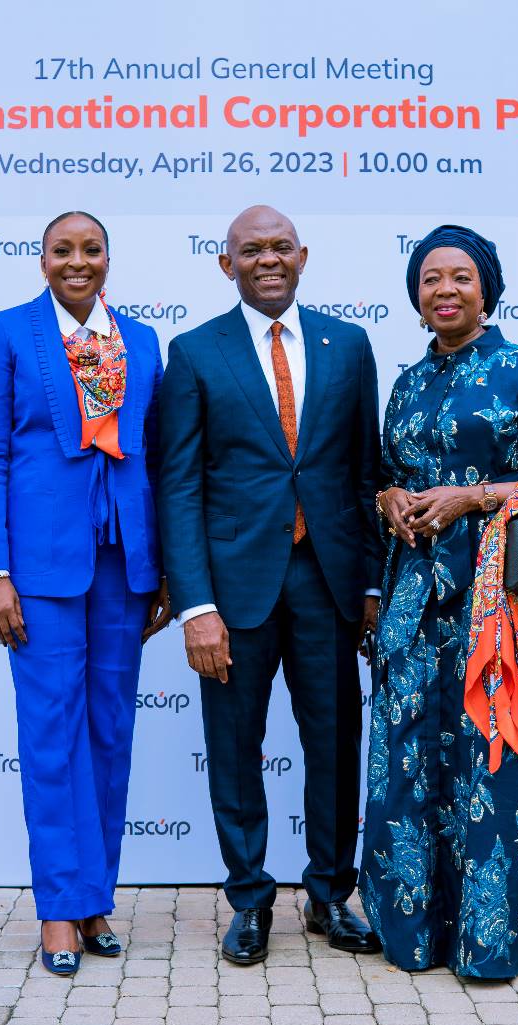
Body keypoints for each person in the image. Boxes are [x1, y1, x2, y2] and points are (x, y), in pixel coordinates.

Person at [360, 224, 518, 978]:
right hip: (415, 601)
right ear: (416, 297)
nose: (445, 290)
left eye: (460, 277)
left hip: (502, 606)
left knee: (493, 754)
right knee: (413, 753)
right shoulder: (407, 383)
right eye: (431, 279)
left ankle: (496, 938)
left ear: (486, 290)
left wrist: (474, 497)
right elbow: (385, 472)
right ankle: (417, 931)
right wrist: (391, 498)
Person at [158, 205, 383, 964]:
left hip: (329, 582)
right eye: (251, 250)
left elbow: (363, 475)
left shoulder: (349, 346)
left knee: (335, 742)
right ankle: (249, 899)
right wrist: (195, 605)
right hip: (233, 590)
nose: (268, 260)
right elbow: (179, 487)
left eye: (280, 247)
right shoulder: (194, 352)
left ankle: (330, 895)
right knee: (234, 745)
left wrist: (371, 586)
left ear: (303, 256)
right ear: (227, 264)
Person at [0, 211, 171, 975]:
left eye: (91, 249)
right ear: (43, 260)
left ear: (108, 259)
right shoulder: (7, 334)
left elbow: (157, 458)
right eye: (63, 250)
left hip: (124, 562)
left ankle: (94, 900)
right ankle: (57, 906)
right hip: (41, 567)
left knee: (110, 733)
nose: (77, 261)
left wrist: (165, 571)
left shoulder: (141, 340)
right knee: (52, 734)